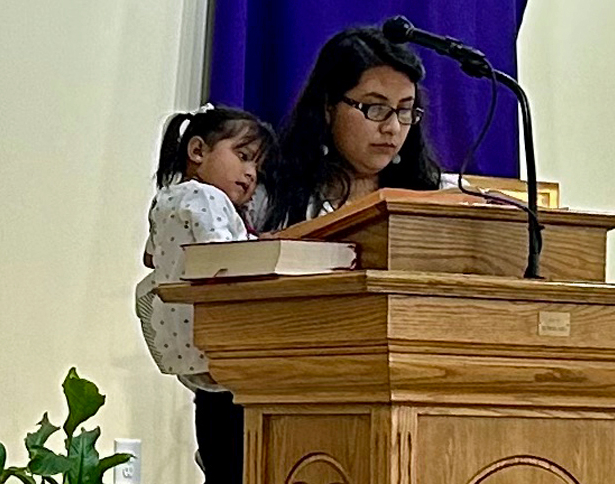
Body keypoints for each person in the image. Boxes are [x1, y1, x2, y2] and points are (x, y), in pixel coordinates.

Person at [134, 104, 278, 484]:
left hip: (186, 347)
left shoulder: (165, 199)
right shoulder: (208, 198)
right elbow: (224, 255)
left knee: (217, 448)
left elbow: (150, 256)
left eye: (257, 167)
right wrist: (263, 246)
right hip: (219, 339)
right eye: (243, 157)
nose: (250, 174)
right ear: (197, 152)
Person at [250, 27, 451, 232]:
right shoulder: (268, 198)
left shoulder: (440, 197)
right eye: (376, 108)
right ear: (329, 106)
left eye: (404, 110)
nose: (393, 127)